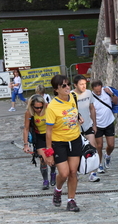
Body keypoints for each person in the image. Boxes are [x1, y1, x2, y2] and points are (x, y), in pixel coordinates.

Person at [45, 74, 83, 212]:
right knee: (64, 173)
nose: (68, 88)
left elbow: (74, 111)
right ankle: (58, 189)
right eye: (64, 86)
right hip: (59, 142)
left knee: (73, 172)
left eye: (68, 84)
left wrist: (78, 117)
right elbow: (48, 131)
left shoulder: (73, 97)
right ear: (56, 89)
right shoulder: (52, 107)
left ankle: (71, 200)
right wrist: (48, 153)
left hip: (74, 139)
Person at [22, 94, 57, 189]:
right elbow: (26, 128)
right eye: (36, 108)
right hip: (39, 137)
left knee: (52, 158)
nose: (39, 109)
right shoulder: (29, 112)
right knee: (43, 159)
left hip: (51, 135)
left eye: (41, 107)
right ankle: (45, 180)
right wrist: (26, 144)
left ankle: (53, 172)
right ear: (32, 106)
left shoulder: (48, 107)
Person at [72, 74, 99, 182]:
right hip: (76, 128)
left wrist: (94, 124)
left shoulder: (89, 93)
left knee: (92, 147)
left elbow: (92, 108)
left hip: (88, 125)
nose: (83, 86)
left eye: (85, 84)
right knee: (77, 150)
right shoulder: (71, 95)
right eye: (81, 84)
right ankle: (75, 172)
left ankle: (93, 173)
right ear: (75, 85)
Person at [91, 80, 118, 174]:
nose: (98, 93)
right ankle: (99, 164)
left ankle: (107, 155)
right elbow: (91, 111)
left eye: (99, 91)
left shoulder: (107, 91)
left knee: (111, 145)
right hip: (98, 124)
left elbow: (116, 101)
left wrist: (110, 94)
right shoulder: (90, 97)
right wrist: (94, 125)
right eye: (96, 92)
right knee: (99, 146)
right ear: (93, 90)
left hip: (109, 122)